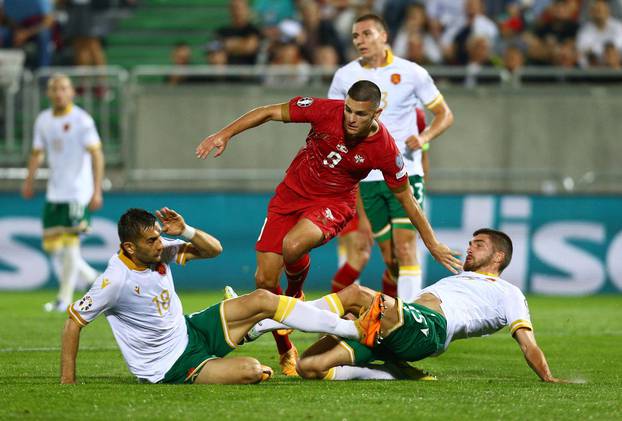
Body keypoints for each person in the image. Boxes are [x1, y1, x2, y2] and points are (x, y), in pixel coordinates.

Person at [195, 80, 462, 376]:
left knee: (293, 246)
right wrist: (224, 134)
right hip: (289, 195)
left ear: (377, 113)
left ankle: (295, 294)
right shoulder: (326, 111)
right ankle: (286, 349)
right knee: (264, 278)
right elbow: (269, 111)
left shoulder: (385, 149)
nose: (350, 118)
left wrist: (432, 243)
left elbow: (408, 201)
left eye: (360, 114)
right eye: (348, 109)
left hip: (333, 203)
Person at [60, 207, 385, 384]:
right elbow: (74, 322)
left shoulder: (158, 253)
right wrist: (67, 382)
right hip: (170, 365)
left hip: (191, 330)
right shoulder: (113, 280)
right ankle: (258, 328)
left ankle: (352, 330)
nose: (159, 245)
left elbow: (214, 249)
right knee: (253, 371)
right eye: (151, 241)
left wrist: (186, 231)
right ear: (130, 247)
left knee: (262, 298)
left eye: (159, 238)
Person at [268, 228, 565, 383]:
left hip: (430, 329)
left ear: (499, 257)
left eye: (480, 244)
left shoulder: (508, 292)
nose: (470, 247)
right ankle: (396, 372)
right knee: (310, 367)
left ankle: (269, 321)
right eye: (471, 242)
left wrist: (547, 376)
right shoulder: (457, 278)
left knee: (357, 295)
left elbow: (528, 343)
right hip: (398, 328)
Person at [327, 14, 454, 303]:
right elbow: (335, 125)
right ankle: (385, 312)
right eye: (356, 36)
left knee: (406, 245)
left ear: (384, 36)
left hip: (405, 171)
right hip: (367, 177)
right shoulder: (344, 76)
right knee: (391, 258)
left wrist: (423, 139)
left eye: (366, 34)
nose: (360, 40)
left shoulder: (412, 72)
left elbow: (445, 114)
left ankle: (410, 321)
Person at [22, 74, 104, 312]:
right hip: (55, 191)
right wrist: (29, 180)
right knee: (52, 246)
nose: (59, 93)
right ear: (49, 93)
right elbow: (37, 153)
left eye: (63, 88)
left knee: (70, 244)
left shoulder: (82, 120)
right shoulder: (43, 120)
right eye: (54, 89)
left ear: (72, 93)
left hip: (78, 191)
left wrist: (97, 190)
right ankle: (91, 276)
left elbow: (97, 154)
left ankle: (64, 298)